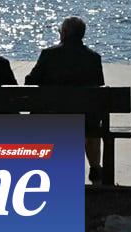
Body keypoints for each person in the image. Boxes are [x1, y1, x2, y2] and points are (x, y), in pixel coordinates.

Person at [25, 16, 106, 183]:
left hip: (50, 118)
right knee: (92, 126)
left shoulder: (49, 54)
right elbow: (98, 86)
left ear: (65, 33)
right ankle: (95, 169)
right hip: (84, 120)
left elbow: (30, 82)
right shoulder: (93, 58)